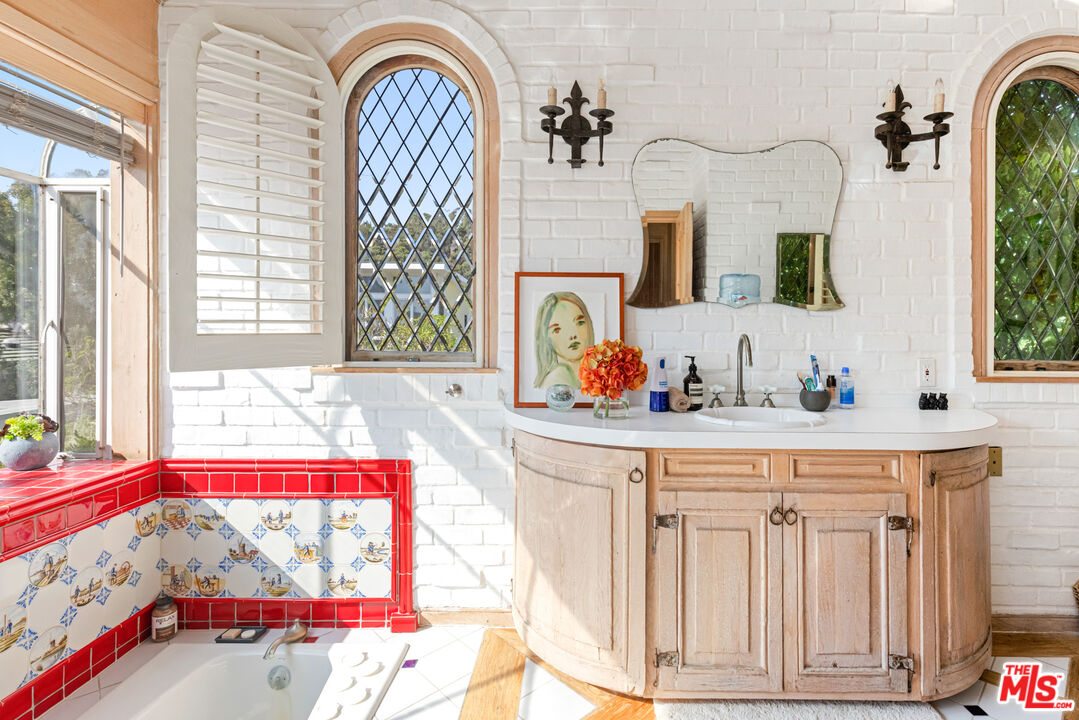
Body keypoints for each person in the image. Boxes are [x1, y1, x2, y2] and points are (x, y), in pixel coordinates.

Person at [532, 291, 594, 389]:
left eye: (580, 322)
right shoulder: (559, 378)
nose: (572, 334)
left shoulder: (590, 376)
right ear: (546, 337)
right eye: (557, 329)